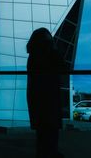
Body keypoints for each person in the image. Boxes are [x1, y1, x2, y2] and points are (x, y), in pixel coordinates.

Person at [26, 28, 65, 158]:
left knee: (42, 135)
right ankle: (51, 153)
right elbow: (62, 66)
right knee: (50, 132)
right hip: (49, 101)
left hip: (38, 101)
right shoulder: (50, 54)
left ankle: (47, 153)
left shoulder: (33, 56)